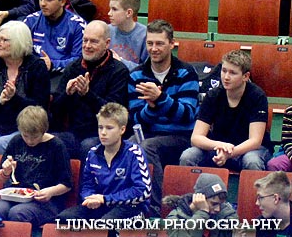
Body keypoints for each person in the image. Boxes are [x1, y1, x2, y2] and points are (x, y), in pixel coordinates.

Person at [128, 19, 201, 214]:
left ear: (172, 44)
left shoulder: (186, 73)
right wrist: (152, 108)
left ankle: (155, 208)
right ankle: (125, 204)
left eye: (160, 43)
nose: (154, 49)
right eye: (150, 43)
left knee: (147, 147)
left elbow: (187, 115)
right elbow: (135, 119)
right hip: (149, 133)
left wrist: (160, 99)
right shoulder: (137, 75)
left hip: (180, 136)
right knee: (122, 145)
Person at [56, 103, 151, 223]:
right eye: (100, 127)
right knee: (64, 219)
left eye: (109, 128)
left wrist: (106, 199)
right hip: (101, 205)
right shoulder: (92, 153)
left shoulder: (134, 152)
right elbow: (87, 186)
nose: (103, 133)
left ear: (122, 129)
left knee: (105, 224)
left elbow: (143, 191)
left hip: (130, 208)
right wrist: (89, 198)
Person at [50, 20, 130, 159]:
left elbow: (114, 114)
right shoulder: (73, 68)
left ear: (107, 43)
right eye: (85, 40)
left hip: (101, 133)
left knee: (88, 146)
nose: (87, 46)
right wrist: (67, 94)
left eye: (93, 41)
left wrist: (87, 95)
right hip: (72, 132)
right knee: (52, 141)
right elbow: (55, 111)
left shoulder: (118, 71)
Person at [179, 49, 269, 171]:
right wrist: (220, 146)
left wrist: (229, 153)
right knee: (188, 156)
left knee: (252, 161)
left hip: (249, 150)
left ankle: (253, 191)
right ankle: (191, 191)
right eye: (224, 71)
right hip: (219, 148)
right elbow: (196, 138)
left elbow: (255, 141)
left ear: (246, 76)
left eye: (233, 73)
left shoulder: (257, 96)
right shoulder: (213, 96)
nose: (226, 77)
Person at [0, 20, 50, 154]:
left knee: (2, 145)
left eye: (4, 40)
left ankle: (5, 175)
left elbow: (40, 108)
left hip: (24, 129)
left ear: (19, 42)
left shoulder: (37, 67)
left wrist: (14, 99)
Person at [0, 106, 72, 227]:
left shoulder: (56, 146)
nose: (30, 141)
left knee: (18, 213)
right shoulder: (16, 141)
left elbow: (67, 184)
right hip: (16, 196)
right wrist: (5, 172)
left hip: (47, 202)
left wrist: (50, 192)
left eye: (34, 137)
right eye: (26, 136)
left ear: (44, 131)